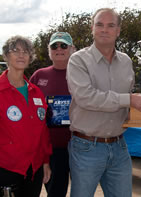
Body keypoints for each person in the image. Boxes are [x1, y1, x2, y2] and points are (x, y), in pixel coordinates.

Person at [66, 8, 141, 197]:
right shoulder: (78, 60)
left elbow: (127, 101)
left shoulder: (126, 61)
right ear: (92, 28)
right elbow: (86, 97)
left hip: (119, 146)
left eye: (111, 25)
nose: (105, 29)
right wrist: (129, 100)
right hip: (86, 147)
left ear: (118, 30)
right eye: (100, 25)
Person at [0, 36, 52, 197]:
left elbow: (42, 131)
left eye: (26, 51)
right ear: (6, 56)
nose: (21, 55)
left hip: (33, 170)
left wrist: (45, 162)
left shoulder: (36, 92)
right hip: (6, 169)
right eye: (15, 50)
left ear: (30, 57)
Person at [29, 32, 74, 197]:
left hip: (81, 145)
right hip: (51, 148)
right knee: (55, 192)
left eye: (64, 45)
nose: (59, 49)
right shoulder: (39, 76)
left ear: (72, 49)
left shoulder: (83, 74)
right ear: (49, 50)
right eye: (54, 46)